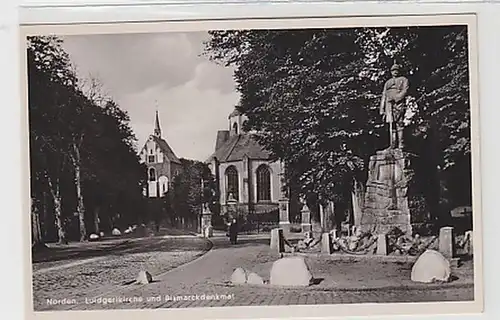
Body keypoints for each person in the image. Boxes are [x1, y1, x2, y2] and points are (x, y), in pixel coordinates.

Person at [380, 62, 410, 149]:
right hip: (388, 105)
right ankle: (392, 144)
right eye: (393, 70)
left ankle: (401, 143)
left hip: (398, 104)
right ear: (391, 72)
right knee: (391, 124)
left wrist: (397, 98)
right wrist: (382, 109)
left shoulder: (404, 80)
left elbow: (405, 90)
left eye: (397, 70)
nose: (395, 72)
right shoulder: (387, 83)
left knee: (399, 123)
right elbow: (384, 95)